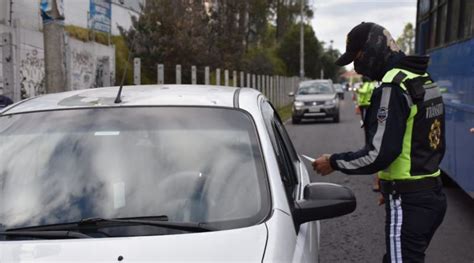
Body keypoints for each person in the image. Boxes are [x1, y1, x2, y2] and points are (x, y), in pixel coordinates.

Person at [312, 22, 447, 263]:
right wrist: (391, 185)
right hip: (432, 194)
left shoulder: (392, 87)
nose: (357, 66)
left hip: (410, 201)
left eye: (358, 56)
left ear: (373, 48)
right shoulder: (421, 77)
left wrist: (333, 162)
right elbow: (429, 142)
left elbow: (378, 154)